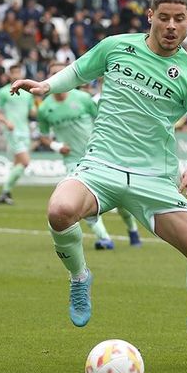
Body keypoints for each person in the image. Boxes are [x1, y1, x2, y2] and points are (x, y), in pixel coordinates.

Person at [9, 0, 187, 365]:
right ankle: (79, 278)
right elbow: (79, 71)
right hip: (101, 166)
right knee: (59, 210)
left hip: (154, 180)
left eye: (179, 19)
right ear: (150, 16)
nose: (171, 26)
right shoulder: (117, 47)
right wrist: (46, 86)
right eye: (164, 17)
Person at [36, 61, 142, 250]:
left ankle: (132, 230)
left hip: (100, 155)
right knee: (79, 201)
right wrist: (56, 146)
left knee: (120, 200)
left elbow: (104, 119)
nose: (57, 76)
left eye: (61, 72)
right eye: (53, 73)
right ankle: (105, 238)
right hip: (73, 160)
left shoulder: (83, 99)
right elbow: (43, 136)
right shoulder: (44, 108)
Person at [0, 64, 35, 205]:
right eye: (14, 72)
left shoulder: (28, 93)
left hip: (25, 131)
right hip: (13, 131)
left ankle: (6, 193)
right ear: (9, 75)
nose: (16, 75)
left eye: (18, 72)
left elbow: (32, 112)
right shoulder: (4, 92)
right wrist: (6, 121)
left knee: (18, 164)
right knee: (25, 162)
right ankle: (5, 192)